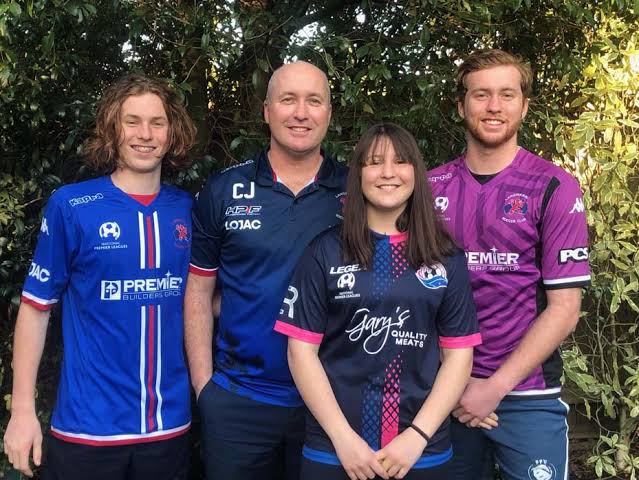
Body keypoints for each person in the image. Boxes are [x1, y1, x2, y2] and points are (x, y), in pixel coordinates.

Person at [3, 74, 197, 480]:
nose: (145, 134)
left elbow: (202, 300)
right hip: (86, 429)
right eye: (132, 121)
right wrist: (22, 411)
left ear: (172, 132)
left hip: (168, 428)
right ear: (112, 128)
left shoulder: (187, 209)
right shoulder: (73, 205)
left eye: (157, 122)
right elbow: (36, 308)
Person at [275, 123, 481, 480]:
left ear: (416, 172)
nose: (388, 172)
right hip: (334, 451)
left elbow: (459, 357)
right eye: (374, 162)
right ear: (358, 174)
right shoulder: (324, 251)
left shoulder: (446, 258)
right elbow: (301, 352)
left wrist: (416, 437)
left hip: (420, 453)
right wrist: (343, 438)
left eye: (400, 161)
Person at [427, 49, 591, 480]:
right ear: (461, 106)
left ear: (525, 106)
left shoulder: (554, 186)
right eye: (481, 95)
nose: (494, 106)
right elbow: (414, 296)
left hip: (527, 394)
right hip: (445, 392)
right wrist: (457, 383)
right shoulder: (429, 188)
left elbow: (565, 309)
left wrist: (493, 388)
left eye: (507, 94)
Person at [185, 60, 348, 480]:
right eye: (288, 99)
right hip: (239, 399)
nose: (301, 113)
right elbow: (199, 291)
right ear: (266, 110)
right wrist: (205, 389)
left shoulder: (358, 192)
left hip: (334, 402)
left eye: (314, 101)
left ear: (329, 112)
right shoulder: (223, 190)